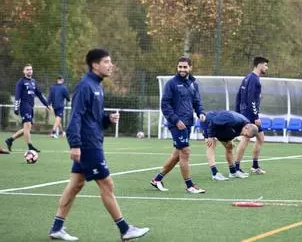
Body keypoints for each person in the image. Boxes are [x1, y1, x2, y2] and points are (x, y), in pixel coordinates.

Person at [48, 48, 149, 241]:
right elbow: (75, 117)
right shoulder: (85, 86)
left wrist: (107, 119)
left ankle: (56, 227)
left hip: (92, 141)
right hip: (88, 145)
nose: (111, 65)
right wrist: (75, 144)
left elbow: (92, 118)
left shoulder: (97, 86)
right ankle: (125, 229)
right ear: (95, 65)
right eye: (107, 62)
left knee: (75, 185)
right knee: (107, 184)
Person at [151, 56, 206, 194]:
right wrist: (176, 120)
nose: (182, 69)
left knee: (177, 155)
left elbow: (197, 102)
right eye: (180, 67)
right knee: (185, 152)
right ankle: (190, 186)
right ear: (177, 67)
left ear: (190, 68)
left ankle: (157, 179)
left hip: (188, 123)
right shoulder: (171, 83)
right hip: (176, 124)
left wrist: (201, 113)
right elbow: (165, 105)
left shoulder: (194, 83)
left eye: (185, 67)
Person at [200, 110, 259, 181]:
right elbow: (213, 122)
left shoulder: (245, 125)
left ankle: (233, 172)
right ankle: (214, 173)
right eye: (246, 134)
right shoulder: (232, 119)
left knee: (229, 147)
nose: (244, 136)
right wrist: (210, 136)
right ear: (246, 127)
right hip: (209, 122)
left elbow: (233, 131)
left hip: (221, 128)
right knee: (211, 144)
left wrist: (229, 140)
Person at [234, 56, 269, 175]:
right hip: (250, 114)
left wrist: (238, 113)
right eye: (265, 65)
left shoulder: (247, 77)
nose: (266, 68)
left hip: (245, 113)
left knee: (260, 138)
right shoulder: (254, 79)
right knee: (245, 139)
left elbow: (238, 96)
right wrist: (255, 117)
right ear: (259, 65)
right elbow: (251, 99)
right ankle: (236, 167)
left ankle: (254, 166)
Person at [5, 64, 50, 153]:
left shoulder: (33, 81)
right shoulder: (21, 82)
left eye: (31, 69)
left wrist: (47, 104)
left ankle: (10, 140)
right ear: (24, 71)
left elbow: (39, 94)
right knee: (27, 126)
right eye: (27, 69)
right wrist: (16, 108)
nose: (29, 71)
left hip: (30, 106)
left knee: (28, 128)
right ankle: (30, 146)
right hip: (24, 106)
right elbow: (17, 95)